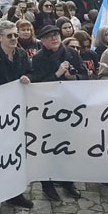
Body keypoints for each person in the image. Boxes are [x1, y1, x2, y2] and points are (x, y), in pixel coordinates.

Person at [29, 25, 86, 202]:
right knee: (48, 148)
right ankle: (48, 185)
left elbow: (85, 76)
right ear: (42, 41)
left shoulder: (71, 53)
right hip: (48, 110)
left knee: (67, 146)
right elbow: (38, 85)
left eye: (56, 35)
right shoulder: (38, 59)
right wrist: (57, 74)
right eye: (50, 36)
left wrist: (73, 78)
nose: (54, 38)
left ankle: (67, 181)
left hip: (70, 107)